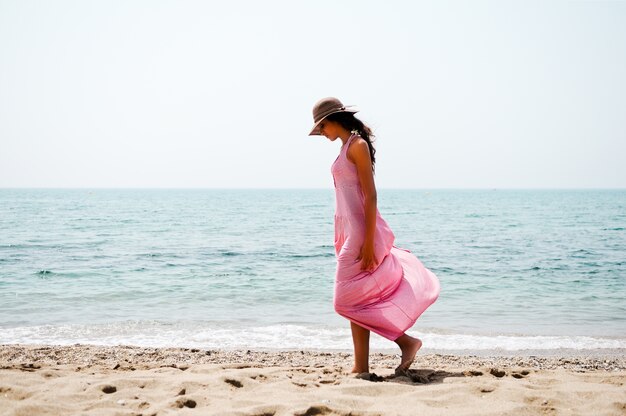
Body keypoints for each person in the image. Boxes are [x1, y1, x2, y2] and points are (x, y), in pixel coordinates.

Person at [308, 97, 441, 375]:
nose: (322, 134)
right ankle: (361, 367)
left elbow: (370, 196)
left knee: (343, 301)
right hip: (349, 233)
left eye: (321, 127)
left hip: (360, 234)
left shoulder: (356, 146)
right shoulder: (346, 146)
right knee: (357, 300)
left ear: (332, 120)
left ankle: (406, 341)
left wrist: (368, 243)